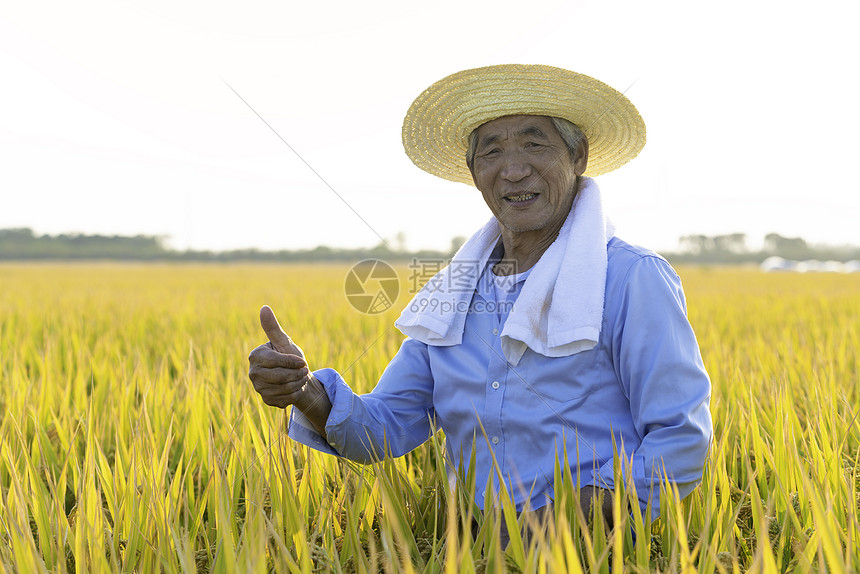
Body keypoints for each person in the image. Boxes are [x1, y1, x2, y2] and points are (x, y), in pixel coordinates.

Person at [248, 64, 713, 533]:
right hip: (475, 551)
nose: (514, 169)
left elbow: (681, 436)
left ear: (578, 158)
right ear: (474, 173)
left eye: (535, 144)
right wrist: (304, 391)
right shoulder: (453, 296)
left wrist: (580, 516)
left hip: (594, 554)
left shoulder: (632, 278)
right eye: (492, 151)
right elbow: (384, 428)